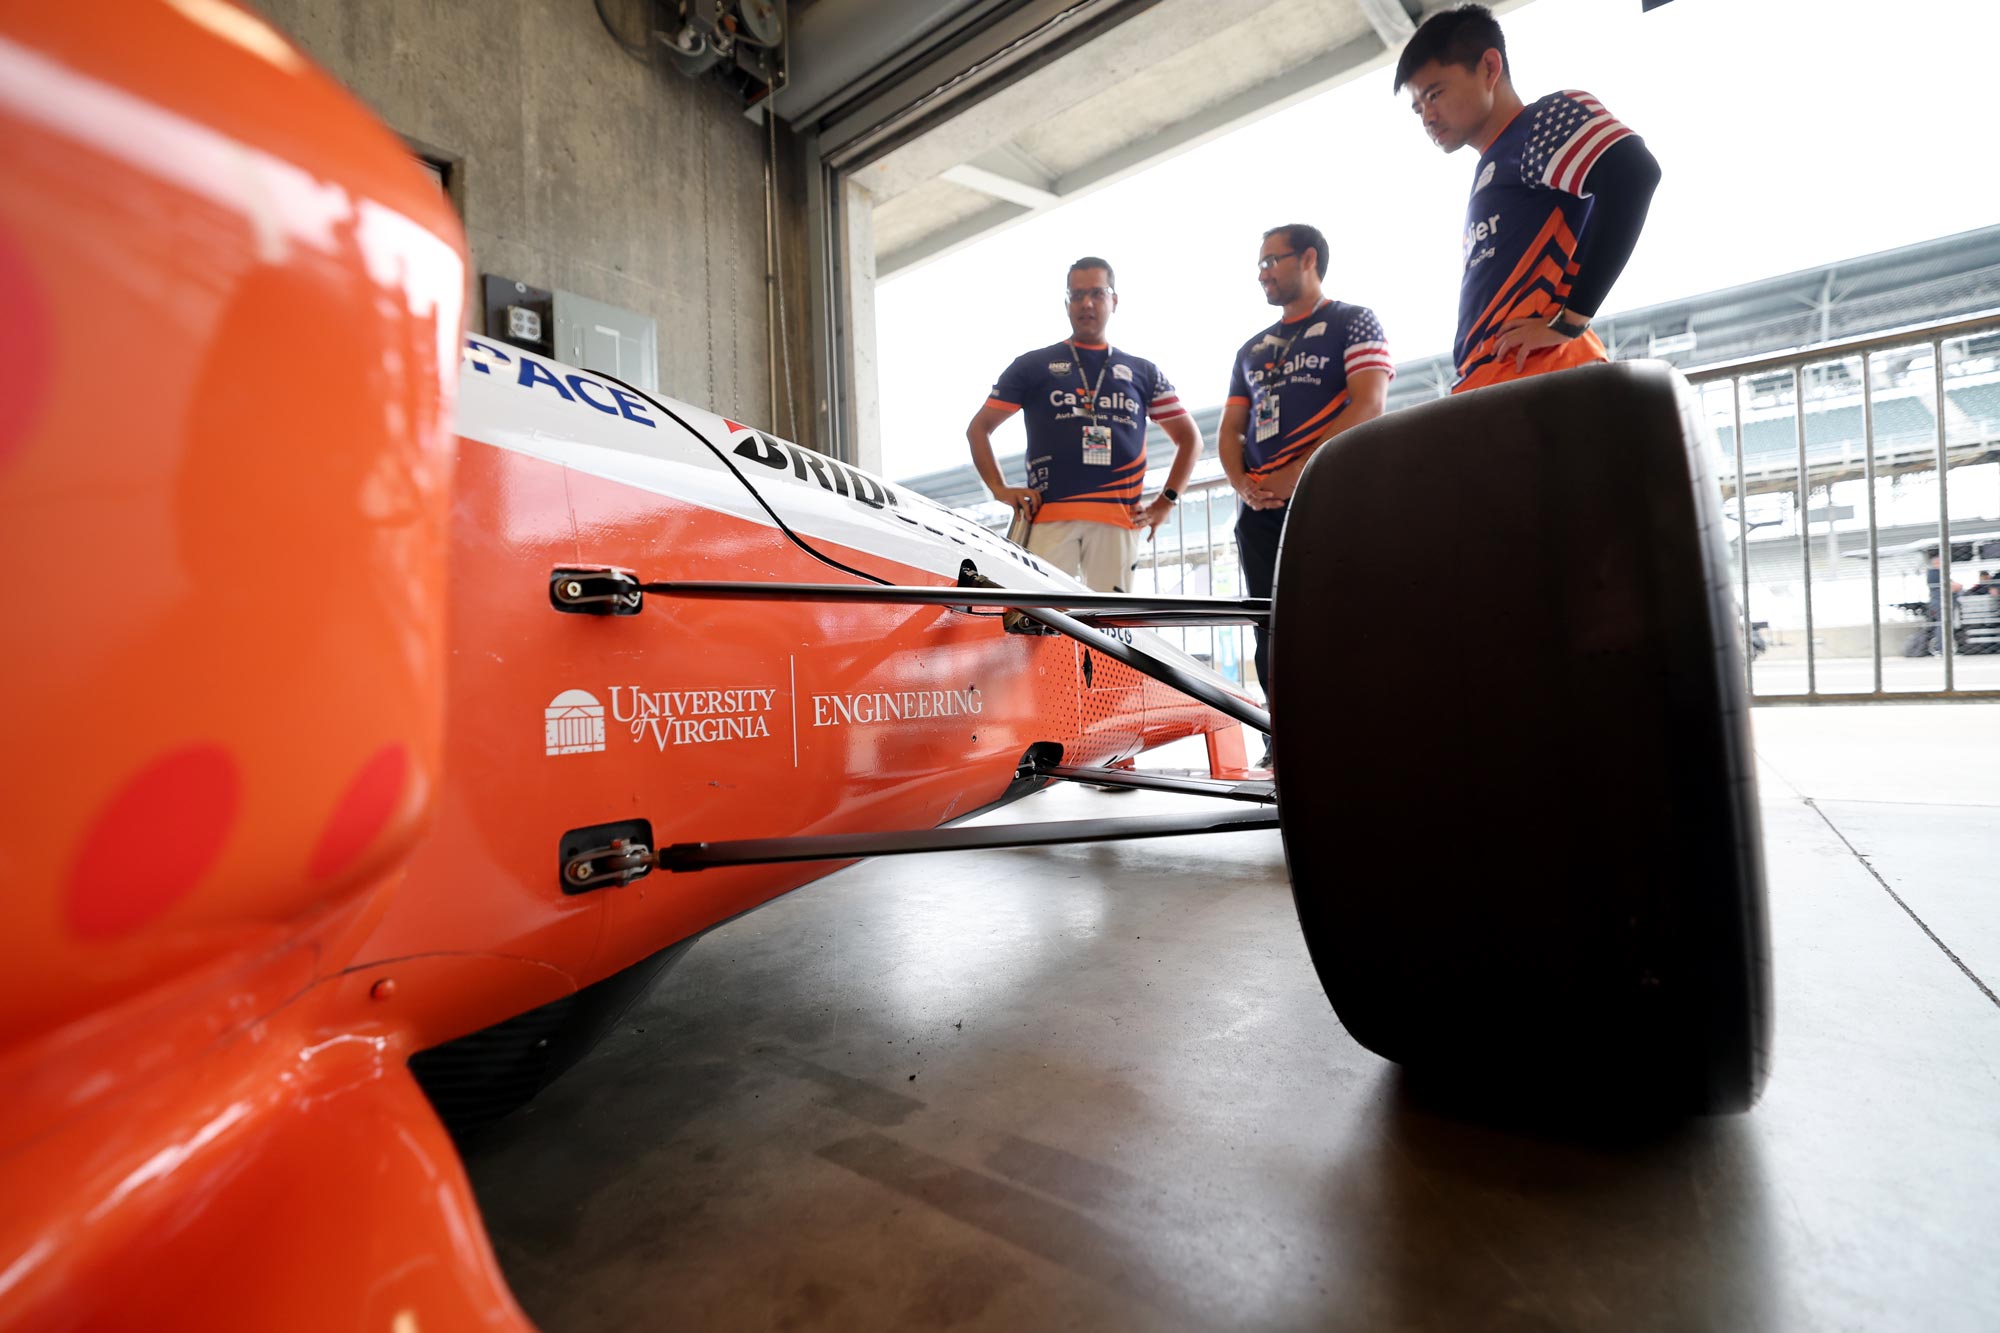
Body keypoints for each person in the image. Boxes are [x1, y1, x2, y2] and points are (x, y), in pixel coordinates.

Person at [1395, 4, 1662, 393]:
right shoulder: (1494, 165)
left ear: (1489, 67)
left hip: (1540, 384)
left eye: (1435, 94)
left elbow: (1634, 173)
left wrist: (1570, 320)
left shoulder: (1537, 124)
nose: (1427, 117)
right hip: (1498, 386)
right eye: (1418, 108)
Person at [1220, 224, 1392, 759]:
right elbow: (1229, 432)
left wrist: (1298, 472)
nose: (1263, 272)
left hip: (1331, 496)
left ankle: (1361, 730)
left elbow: (1367, 404)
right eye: (1260, 263)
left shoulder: (1352, 319)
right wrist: (1245, 485)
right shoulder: (1250, 348)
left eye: (1273, 260)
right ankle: (1283, 737)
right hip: (1260, 511)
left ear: (1309, 258)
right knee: (1268, 626)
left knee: (1344, 614)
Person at [966, 257, 1200, 592]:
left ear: (1114, 300)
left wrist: (1167, 501)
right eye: (1076, 295)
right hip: (1048, 518)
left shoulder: (1142, 372)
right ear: (1066, 303)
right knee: (1040, 623)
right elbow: (979, 429)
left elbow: (1190, 439)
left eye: (1097, 293)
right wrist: (999, 489)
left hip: (1118, 520)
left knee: (1109, 628)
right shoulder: (1033, 365)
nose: (1086, 303)